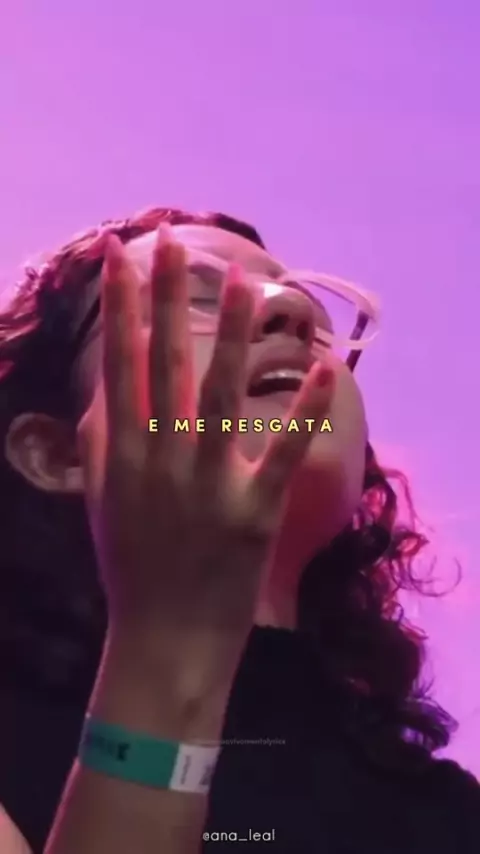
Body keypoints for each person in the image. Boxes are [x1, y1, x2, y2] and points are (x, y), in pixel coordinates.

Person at [0, 207, 478, 853]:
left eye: (311, 308)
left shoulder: (451, 815)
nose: (290, 310)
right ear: (58, 454)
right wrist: (176, 632)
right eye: (193, 297)